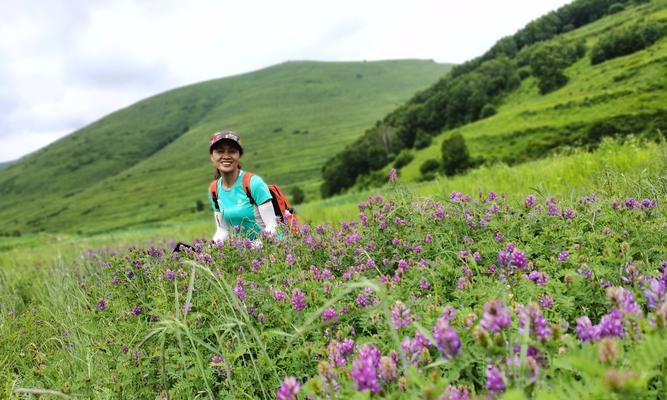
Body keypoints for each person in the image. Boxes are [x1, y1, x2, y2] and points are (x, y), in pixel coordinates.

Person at [207, 130, 277, 243]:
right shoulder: (214, 190)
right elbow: (222, 230)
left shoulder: (253, 183)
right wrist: (209, 251)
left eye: (232, 151)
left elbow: (272, 226)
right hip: (245, 252)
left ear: (239, 156)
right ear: (212, 157)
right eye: (220, 152)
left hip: (272, 249)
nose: (226, 156)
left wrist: (252, 248)